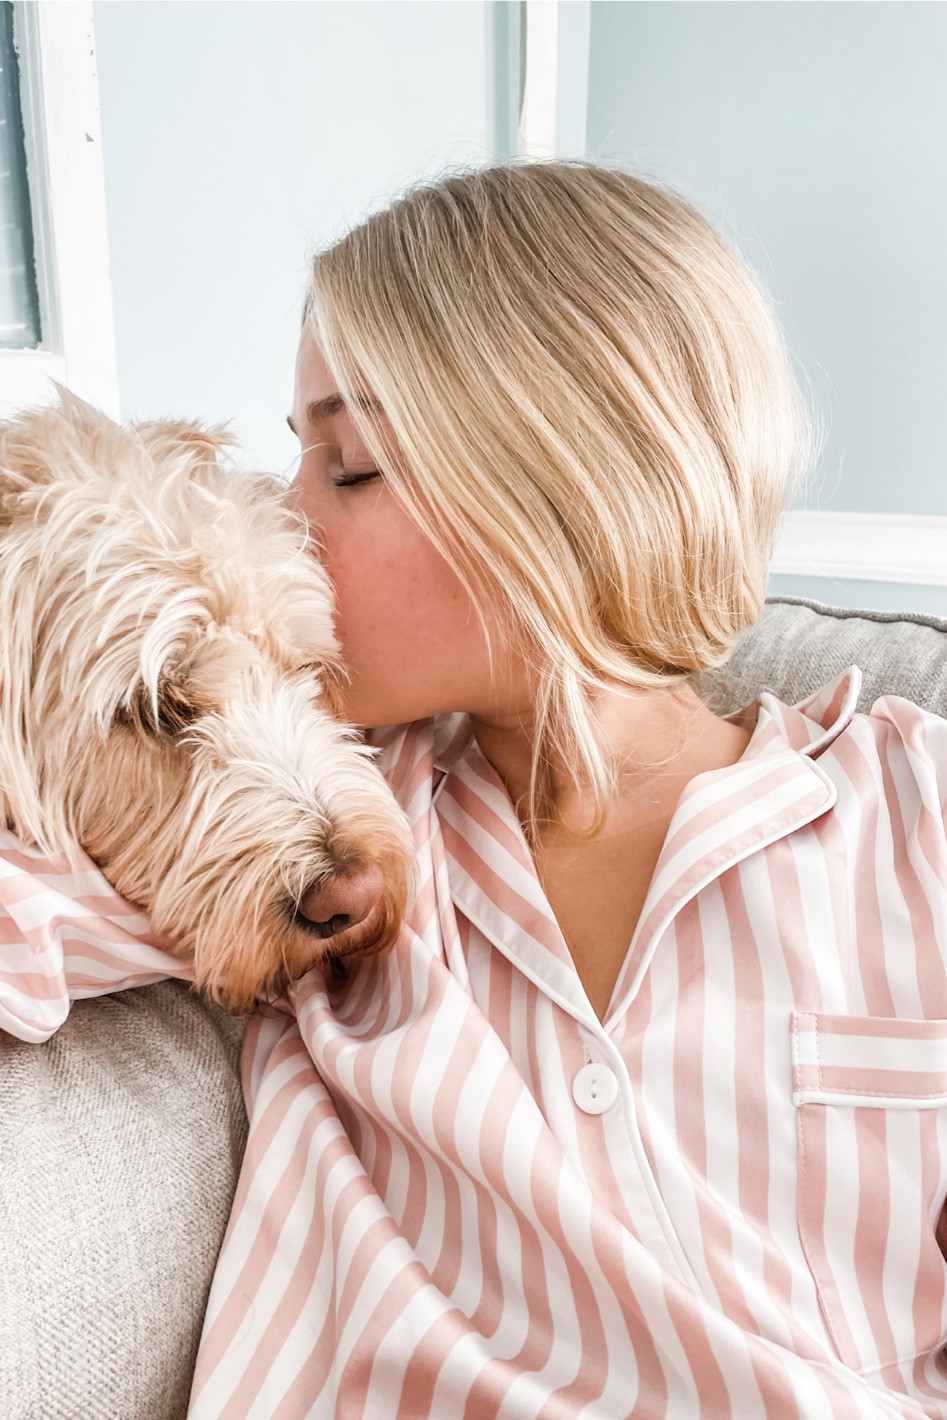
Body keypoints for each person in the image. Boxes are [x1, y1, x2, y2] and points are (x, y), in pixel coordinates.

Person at [4, 160, 947, 1418]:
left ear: (560, 487)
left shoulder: (911, 808)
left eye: (345, 467)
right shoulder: (362, 825)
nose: (283, 518)